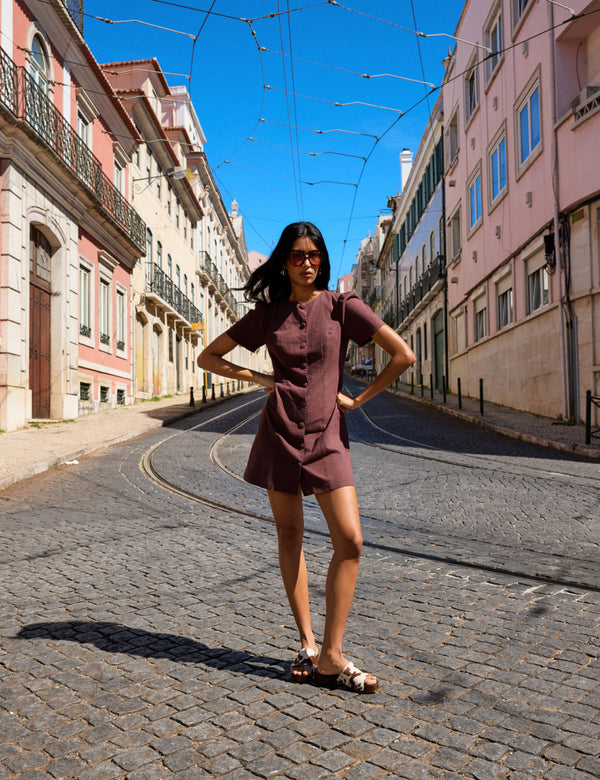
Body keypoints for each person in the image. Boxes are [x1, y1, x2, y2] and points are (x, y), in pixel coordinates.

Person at [198, 221, 415, 693]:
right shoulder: (267, 315)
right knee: (290, 535)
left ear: (323, 259)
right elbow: (208, 357)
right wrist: (261, 380)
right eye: (296, 255)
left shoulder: (343, 306)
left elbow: (403, 355)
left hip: (328, 435)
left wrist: (358, 401)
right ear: (284, 262)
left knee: (351, 541)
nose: (306, 263)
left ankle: (333, 654)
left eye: (314, 254)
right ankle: (309, 645)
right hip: (279, 432)